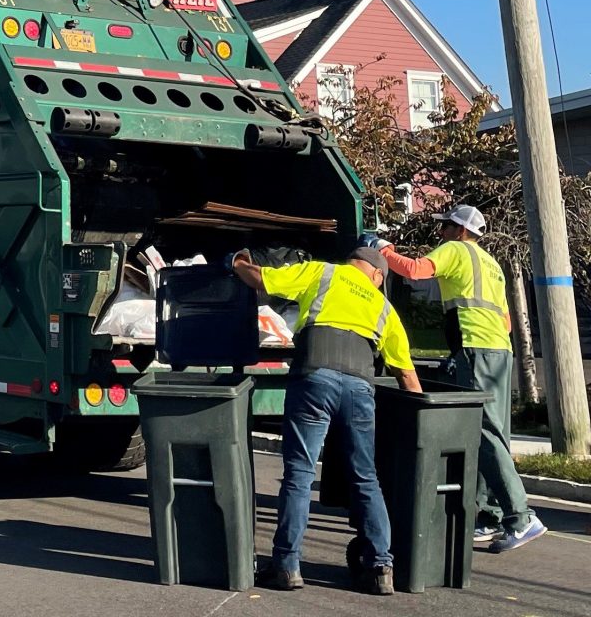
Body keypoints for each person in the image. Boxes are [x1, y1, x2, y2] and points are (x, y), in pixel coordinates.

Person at [232, 246, 422, 596]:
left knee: (301, 473)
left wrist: (239, 263)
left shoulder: (321, 272)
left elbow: (261, 279)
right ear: (377, 275)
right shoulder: (383, 307)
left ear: (352, 263)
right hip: (359, 390)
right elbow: (407, 377)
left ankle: (287, 566)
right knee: (365, 477)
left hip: (314, 377)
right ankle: (381, 567)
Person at [366, 204, 547, 552]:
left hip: (474, 347)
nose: (442, 232)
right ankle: (490, 516)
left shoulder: (455, 250)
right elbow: (507, 320)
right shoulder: (491, 264)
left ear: (461, 231)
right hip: (498, 350)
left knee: (482, 431)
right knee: (493, 432)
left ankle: (521, 517)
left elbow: (415, 271)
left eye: (447, 226)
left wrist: (383, 249)